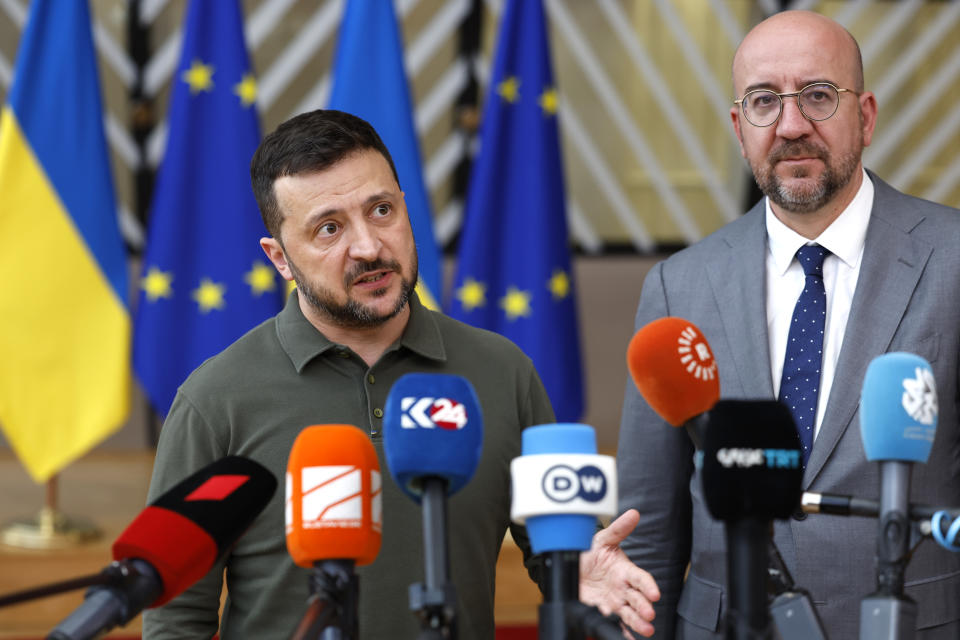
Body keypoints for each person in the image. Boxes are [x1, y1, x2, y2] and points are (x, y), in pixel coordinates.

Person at [141, 109, 659, 639]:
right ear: (280, 258)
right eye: (329, 228)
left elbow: (560, 553)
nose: (368, 246)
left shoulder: (504, 373)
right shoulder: (214, 400)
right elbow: (176, 620)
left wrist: (577, 577)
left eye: (381, 210)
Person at [609, 10, 960, 639]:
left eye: (819, 96)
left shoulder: (953, 259)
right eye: (764, 101)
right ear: (740, 129)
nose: (792, 125)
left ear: (867, 116)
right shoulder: (678, 286)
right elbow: (650, 533)